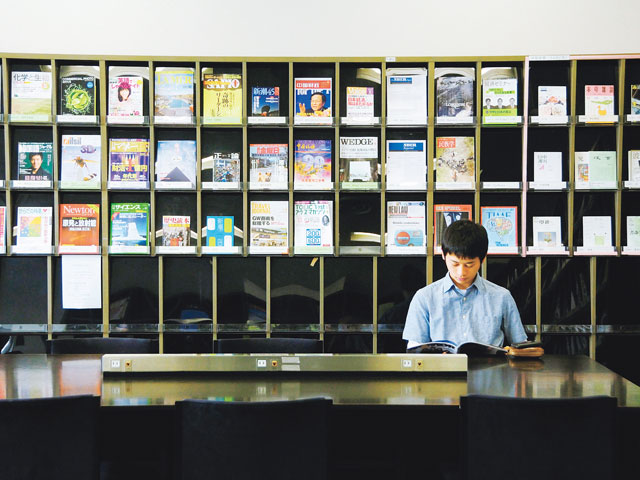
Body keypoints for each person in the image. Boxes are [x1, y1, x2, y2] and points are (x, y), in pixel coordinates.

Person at [402, 220, 526, 349]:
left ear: (482, 259)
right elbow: (415, 349)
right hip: (442, 368)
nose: (461, 272)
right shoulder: (425, 298)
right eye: (455, 263)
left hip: (491, 368)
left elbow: (520, 346)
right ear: (444, 255)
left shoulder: (501, 297)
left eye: (469, 264)